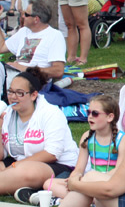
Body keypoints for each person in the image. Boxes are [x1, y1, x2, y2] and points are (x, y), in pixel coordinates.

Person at [27, 95, 125, 205]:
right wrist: (73, 180)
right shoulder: (87, 137)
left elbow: (119, 171)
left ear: (110, 117)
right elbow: (79, 169)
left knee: (103, 191)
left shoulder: (122, 139)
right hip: (89, 182)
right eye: (88, 112)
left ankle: (63, 201)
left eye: (95, 113)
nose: (90, 117)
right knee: (49, 183)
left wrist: (93, 181)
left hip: (109, 183)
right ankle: (86, 201)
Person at [0, 67, 78, 198]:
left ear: (33, 95)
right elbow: (2, 155)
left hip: (57, 165)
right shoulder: (7, 114)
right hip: (19, 162)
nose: (13, 97)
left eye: (19, 93)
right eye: (10, 92)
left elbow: (53, 153)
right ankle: (25, 189)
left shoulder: (50, 113)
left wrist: (17, 165)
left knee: (26, 172)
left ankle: (19, 184)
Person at [0, 0, 66, 94]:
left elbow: (58, 71)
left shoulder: (55, 36)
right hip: (14, 73)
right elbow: (1, 47)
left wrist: (27, 69)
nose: (23, 16)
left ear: (36, 19)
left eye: (26, 14)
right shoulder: (24, 31)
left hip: (33, 79)